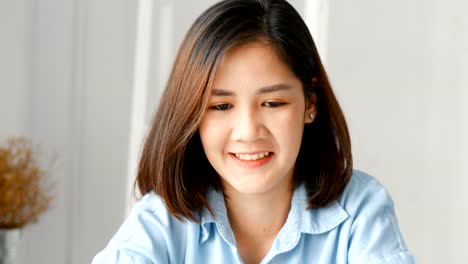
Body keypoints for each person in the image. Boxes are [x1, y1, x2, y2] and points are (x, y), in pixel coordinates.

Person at [92, 0, 416, 263]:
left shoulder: (360, 210)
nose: (248, 132)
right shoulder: (160, 222)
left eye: (273, 103)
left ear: (310, 103)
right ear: (192, 115)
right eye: (221, 106)